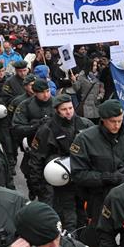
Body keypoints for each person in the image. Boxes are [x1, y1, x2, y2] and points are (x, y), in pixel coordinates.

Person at [70, 99, 124, 230]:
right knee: (100, 239)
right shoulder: (85, 139)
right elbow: (78, 174)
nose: (117, 125)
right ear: (103, 119)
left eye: (120, 121)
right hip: (98, 199)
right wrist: (108, 177)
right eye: (112, 121)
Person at [27, 94, 93, 232]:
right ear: (57, 110)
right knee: (67, 220)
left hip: (82, 181)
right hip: (58, 184)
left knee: (84, 218)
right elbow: (36, 159)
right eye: (64, 109)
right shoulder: (47, 129)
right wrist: (38, 186)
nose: (68, 112)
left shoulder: (85, 125)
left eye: (70, 108)